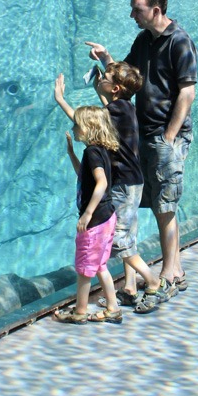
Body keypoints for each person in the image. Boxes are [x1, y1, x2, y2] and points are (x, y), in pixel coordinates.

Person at [85, 0, 197, 293]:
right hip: (143, 135)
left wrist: (169, 137)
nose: (132, 14)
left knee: (165, 203)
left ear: (156, 10)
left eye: (138, 9)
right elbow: (126, 79)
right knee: (143, 202)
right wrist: (107, 57)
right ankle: (154, 273)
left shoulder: (180, 42)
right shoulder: (143, 40)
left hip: (165, 136)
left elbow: (187, 93)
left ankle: (173, 270)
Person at [54, 65, 171, 313]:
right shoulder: (125, 107)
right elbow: (103, 113)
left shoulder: (114, 110)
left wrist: (60, 100)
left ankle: (152, 282)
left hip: (123, 185)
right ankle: (128, 289)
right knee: (124, 237)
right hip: (131, 182)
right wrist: (102, 86)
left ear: (115, 88)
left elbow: (86, 122)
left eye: (104, 78)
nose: (101, 79)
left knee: (119, 240)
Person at [53, 105, 122, 324]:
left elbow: (101, 183)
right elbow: (84, 176)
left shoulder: (92, 152)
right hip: (108, 217)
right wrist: (71, 153)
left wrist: (87, 214)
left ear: (88, 127)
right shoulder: (99, 150)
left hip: (96, 220)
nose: (73, 127)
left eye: (77, 124)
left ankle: (80, 312)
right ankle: (113, 308)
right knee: (100, 265)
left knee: (84, 268)